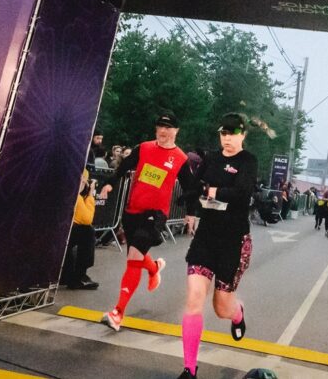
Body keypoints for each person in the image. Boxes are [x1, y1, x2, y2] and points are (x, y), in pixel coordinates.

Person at [98, 112, 196, 332]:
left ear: (176, 132)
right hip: (133, 211)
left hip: (155, 215)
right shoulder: (144, 148)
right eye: (160, 127)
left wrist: (191, 212)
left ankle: (118, 313)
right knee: (137, 255)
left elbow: (190, 187)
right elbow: (123, 168)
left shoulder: (180, 158)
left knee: (133, 257)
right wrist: (109, 184)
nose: (163, 131)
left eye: (168, 128)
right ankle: (153, 268)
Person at [178, 113, 259, 379]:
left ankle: (237, 313)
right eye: (223, 133)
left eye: (233, 133)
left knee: (221, 308)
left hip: (233, 240)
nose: (227, 139)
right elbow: (192, 188)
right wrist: (191, 206)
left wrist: (212, 191)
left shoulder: (248, 161)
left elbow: (243, 192)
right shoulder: (211, 158)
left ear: (243, 135)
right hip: (207, 236)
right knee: (193, 298)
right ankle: (190, 368)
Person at [60, 168, 98, 290]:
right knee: (87, 232)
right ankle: (79, 276)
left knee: (76, 234)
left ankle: (67, 275)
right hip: (59, 233)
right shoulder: (75, 196)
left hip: (54, 230)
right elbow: (87, 219)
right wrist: (90, 194)